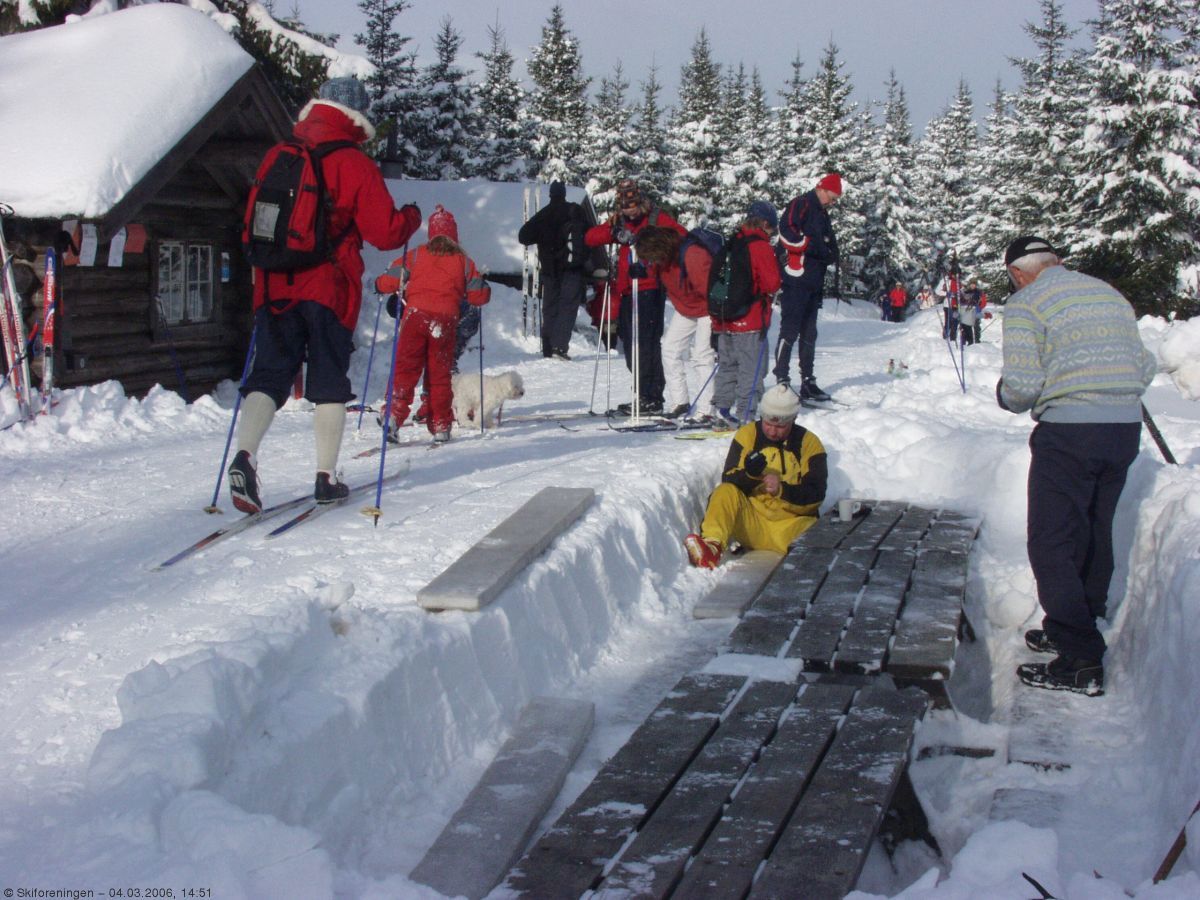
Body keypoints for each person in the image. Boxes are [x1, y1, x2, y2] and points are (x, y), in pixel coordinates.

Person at [229, 77, 422, 514]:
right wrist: (411, 217)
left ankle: (245, 456)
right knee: (329, 381)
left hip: (274, 284)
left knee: (269, 375)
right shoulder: (353, 162)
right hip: (328, 287)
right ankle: (326, 477)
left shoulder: (280, 154)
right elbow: (385, 232)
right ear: (358, 117)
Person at [997, 235, 1157, 696]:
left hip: (1069, 431)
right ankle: (1080, 622)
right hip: (1124, 429)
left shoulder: (1027, 302)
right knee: (1092, 526)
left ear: (1018, 274)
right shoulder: (1109, 293)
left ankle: (1080, 658)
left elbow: (1023, 387)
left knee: (1051, 539)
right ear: (1058, 262)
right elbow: (1144, 365)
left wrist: (1004, 394)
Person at [374, 205, 491, 443]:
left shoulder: (415, 255)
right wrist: (483, 286)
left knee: (405, 370)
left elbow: (388, 281)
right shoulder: (464, 262)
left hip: (415, 317)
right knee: (439, 376)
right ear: (454, 236)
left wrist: (379, 283)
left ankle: (393, 418)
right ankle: (440, 425)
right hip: (445, 321)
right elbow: (480, 296)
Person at [684, 383, 828, 568]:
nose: (773, 431)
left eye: (781, 426)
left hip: (790, 526)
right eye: (768, 424)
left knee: (815, 532)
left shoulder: (810, 443)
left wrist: (781, 490)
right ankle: (712, 545)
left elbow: (816, 496)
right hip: (752, 524)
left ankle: (805, 559)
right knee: (724, 492)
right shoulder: (747, 435)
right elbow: (728, 479)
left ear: (793, 419)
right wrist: (750, 475)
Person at [585, 178, 685, 415]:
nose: (630, 211)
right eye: (625, 207)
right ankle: (642, 394)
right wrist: (613, 231)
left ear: (640, 202)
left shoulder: (655, 218)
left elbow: (681, 236)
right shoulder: (619, 221)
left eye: (633, 206)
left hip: (650, 289)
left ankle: (652, 396)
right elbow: (590, 238)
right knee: (631, 346)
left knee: (646, 345)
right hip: (628, 291)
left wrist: (648, 241)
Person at [710, 202, 783, 425]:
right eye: (772, 228)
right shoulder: (759, 246)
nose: (771, 234)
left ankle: (720, 410)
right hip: (750, 318)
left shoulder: (732, 242)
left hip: (724, 318)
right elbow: (772, 283)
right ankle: (745, 414)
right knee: (752, 369)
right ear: (765, 223)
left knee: (727, 366)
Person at [633, 225, 716, 419]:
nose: (651, 262)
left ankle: (707, 410)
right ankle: (680, 402)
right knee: (670, 349)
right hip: (685, 307)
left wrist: (720, 320)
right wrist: (641, 271)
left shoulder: (693, 255)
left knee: (702, 356)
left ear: (659, 248)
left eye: (651, 257)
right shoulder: (663, 260)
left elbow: (711, 289)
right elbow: (659, 274)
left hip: (708, 308)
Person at [773, 173, 842, 403]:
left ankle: (808, 381)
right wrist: (809, 246)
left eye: (835, 201)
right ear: (821, 189)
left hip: (814, 279)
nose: (832, 203)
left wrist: (831, 252)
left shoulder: (822, 213)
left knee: (810, 332)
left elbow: (827, 241)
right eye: (831, 198)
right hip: (796, 278)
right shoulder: (801, 203)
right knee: (790, 329)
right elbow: (786, 231)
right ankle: (782, 379)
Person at [517, 181, 587, 360]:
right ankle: (559, 347)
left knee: (550, 308)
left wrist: (544, 236)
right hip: (572, 269)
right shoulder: (574, 211)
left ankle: (548, 348)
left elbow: (523, 236)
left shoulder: (544, 214)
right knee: (567, 307)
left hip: (549, 270)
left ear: (550, 195)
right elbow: (590, 237)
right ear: (564, 194)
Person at [959, 278, 986, 345]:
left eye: (974, 284)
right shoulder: (966, 292)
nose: (973, 286)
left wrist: (980, 307)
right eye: (971, 284)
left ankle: (977, 340)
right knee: (965, 326)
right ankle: (965, 340)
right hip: (967, 311)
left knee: (976, 325)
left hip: (976, 310)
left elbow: (983, 301)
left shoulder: (979, 292)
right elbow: (961, 301)